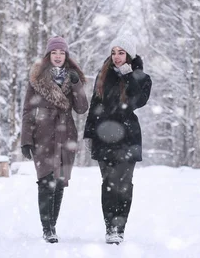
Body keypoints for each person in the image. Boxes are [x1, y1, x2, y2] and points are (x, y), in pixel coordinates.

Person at [84, 36, 152, 244]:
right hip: (104, 138)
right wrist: (89, 134)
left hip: (128, 138)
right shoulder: (103, 75)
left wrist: (128, 76)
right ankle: (109, 227)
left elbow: (137, 101)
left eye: (121, 52)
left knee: (123, 185)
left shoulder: (142, 77)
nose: (116, 57)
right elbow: (95, 105)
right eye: (114, 52)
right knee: (108, 183)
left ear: (129, 55)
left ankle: (119, 228)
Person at [21, 36, 89, 243]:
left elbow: (82, 108)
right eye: (54, 53)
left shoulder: (72, 78)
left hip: (65, 136)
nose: (58, 56)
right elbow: (27, 111)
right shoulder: (36, 80)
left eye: (61, 53)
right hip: (42, 136)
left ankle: (53, 226)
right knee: (45, 182)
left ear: (66, 56)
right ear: (48, 56)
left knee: (59, 183)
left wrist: (77, 86)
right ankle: (47, 228)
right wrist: (26, 140)